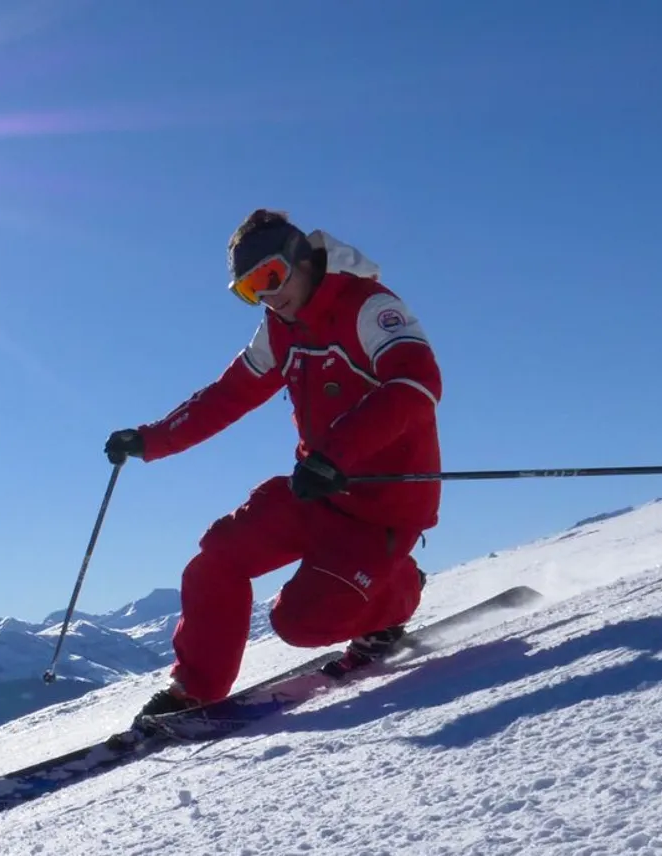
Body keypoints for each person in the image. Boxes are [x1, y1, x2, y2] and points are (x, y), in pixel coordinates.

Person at [103, 209, 443, 719]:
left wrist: (338, 453)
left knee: (299, 624)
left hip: (383, 503)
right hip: (317, 490)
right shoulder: (279, 329)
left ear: (302, 259)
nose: (266, 296)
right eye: (249, 290)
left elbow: (416, 384)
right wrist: (149, 440)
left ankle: (397, 592)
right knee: (218, 557)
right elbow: (228, 396)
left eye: (270, 278)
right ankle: (195, 690)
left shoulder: (368, 307)